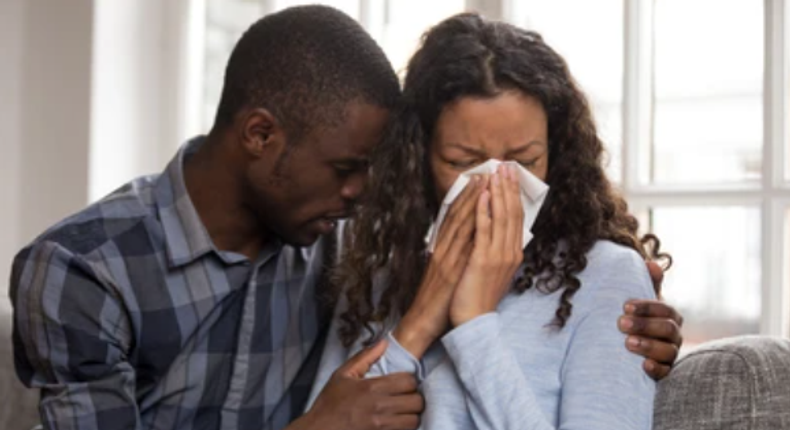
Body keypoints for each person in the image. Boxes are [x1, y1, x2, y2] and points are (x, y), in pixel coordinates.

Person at [9, 6, 681, 430]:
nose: (362, 193)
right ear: (260, 135)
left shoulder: (341, 243)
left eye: (525, 158)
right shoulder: (82, 269)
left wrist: (476, 319)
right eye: (344, 170)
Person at [306, 12, 670, 429]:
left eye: (526, 160)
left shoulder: (606, 278)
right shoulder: (378, 280)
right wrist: (419, 323)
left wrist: (475, 324)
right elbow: (328, 421)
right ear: (418, 159)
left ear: (557, 153)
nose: (498, 185)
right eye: (463, 162)